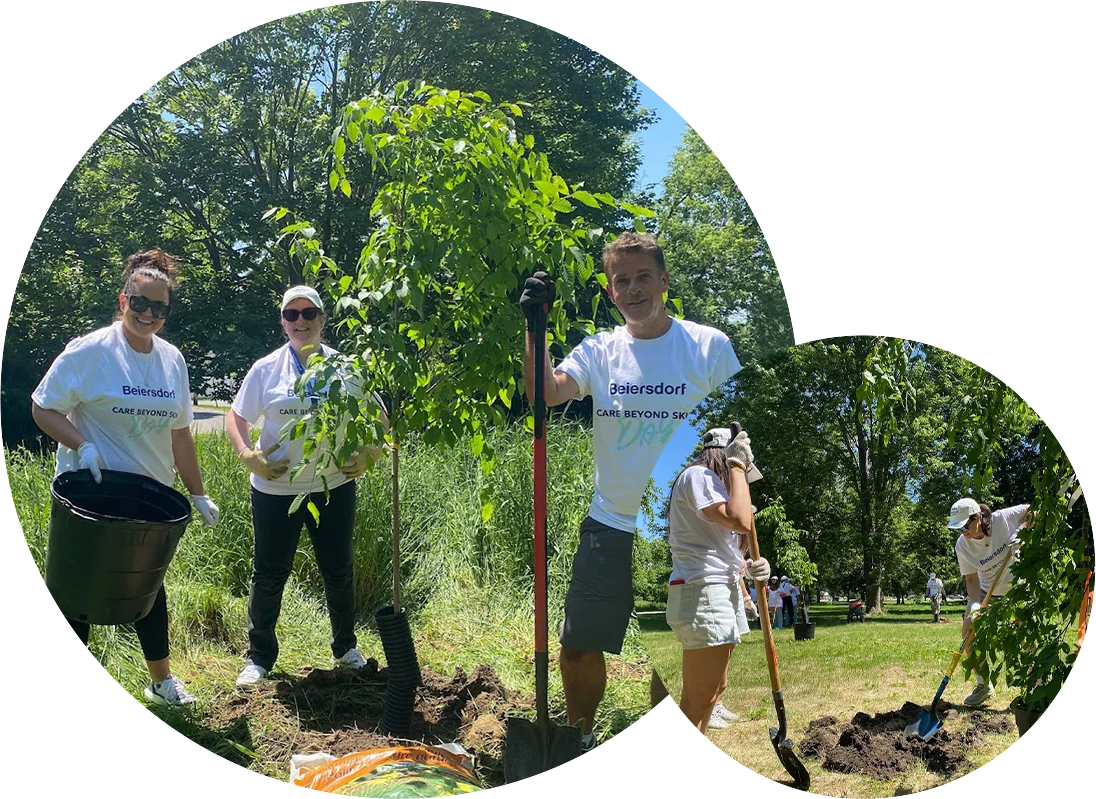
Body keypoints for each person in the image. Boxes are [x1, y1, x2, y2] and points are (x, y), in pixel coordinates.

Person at [519, 232, 742, 753]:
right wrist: (536, 328)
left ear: (664, 280)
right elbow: (545, 393)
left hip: (691, 521)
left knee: (677, 649)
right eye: (622, 280)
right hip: (613, 520)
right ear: (610, 290)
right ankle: (578, 738)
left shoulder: (708, 346)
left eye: (644, 276)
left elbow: (736, 427)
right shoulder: (599, 350)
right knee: (577, 644)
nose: (634, 287)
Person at [31, 249, 220, 706]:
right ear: (123, 300)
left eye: (159, 308)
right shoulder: (91, 351)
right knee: (80, 591)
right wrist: (83, 444)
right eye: (140, 303)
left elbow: (180, 433)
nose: (148, 315)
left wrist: (197, 494)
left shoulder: (172, 360)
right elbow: (43, 406)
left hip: (149, 495)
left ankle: (161, 683)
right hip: (92, 489)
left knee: (148, 587)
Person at [227, 286, 385, 688]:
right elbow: (236, 417)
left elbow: (380, 417)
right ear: (282, 322)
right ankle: (259, 657)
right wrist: (248, 455)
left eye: (309, 312)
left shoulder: (345, 368)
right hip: (275, 490)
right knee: (269, 572)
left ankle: (345, 649)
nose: (301, 321)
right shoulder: (266, 369)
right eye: (292, 314)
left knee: (338, 569)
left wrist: (370, 455)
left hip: (333, 486)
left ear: (322, 318)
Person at [665, 428, 770, 734]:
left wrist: (749, 568)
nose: (740, 481)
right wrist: (738, 466)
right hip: (703, 592)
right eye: (738, 469)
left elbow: (727, 546)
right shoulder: (699, 476)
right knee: (700, 700)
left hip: (717, 590)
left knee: (715, 688)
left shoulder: (714, 490)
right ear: (725, 459)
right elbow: (739, 520)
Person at [948, 496, 1031, 706]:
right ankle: (983, 684)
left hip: (1016, 591)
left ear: (977, 518)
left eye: (965, 527)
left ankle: (1034, 687)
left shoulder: (1003, 519)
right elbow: (971, 579)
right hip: (986, 593)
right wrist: (974, 605)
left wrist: (1022, 530)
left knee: (1027, 636)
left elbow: (1034, 509)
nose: (962, 533)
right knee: (968, 634)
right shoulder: (963, 546)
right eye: (958, 529)